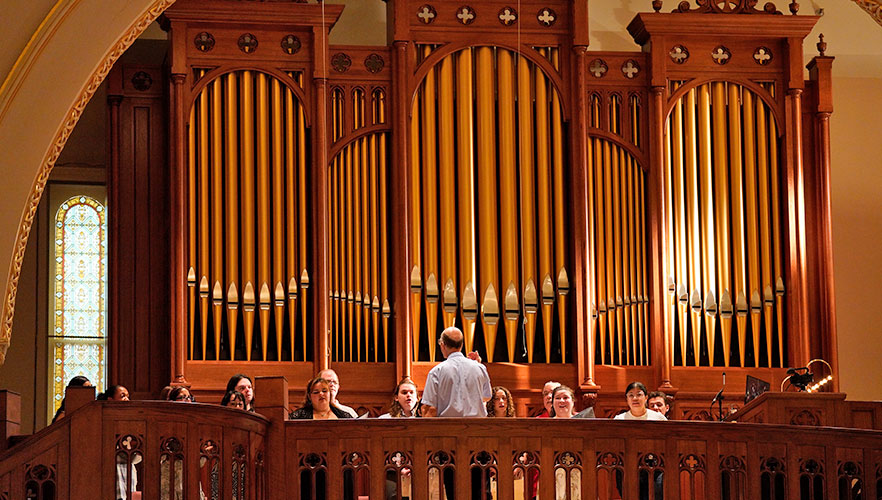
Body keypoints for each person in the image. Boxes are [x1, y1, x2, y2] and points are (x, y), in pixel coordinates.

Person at [420, 326, 492, 418]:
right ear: (461, 345)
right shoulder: (480, 368)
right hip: (477, 428)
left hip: (448, 428)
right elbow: (486, 397)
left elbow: (429, 408)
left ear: (442, 345)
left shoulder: (436, 371)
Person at [289, 377, 354, 420]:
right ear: (309, 396)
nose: (321, 394)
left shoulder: (343, 416)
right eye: (316, 392)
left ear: (329, 394)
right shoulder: (298, 416)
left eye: (324, 391)